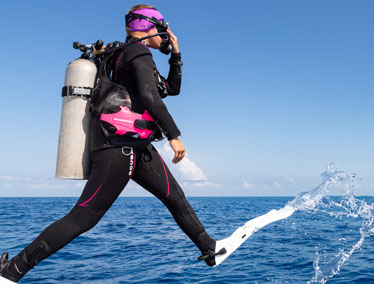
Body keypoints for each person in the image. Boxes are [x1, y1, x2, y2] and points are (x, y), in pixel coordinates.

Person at [0, 4, 224, 283]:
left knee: (175, 198)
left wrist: (176, 55)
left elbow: (170, 89)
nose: (166, 37)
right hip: (120, 147)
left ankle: (209, 248)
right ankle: (11, 272)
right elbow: (149, 97)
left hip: (134, 145)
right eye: (163, 30)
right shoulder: (138, 52)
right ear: (149, 27)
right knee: (83, 217)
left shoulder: (121, 56)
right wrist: (174, 136)